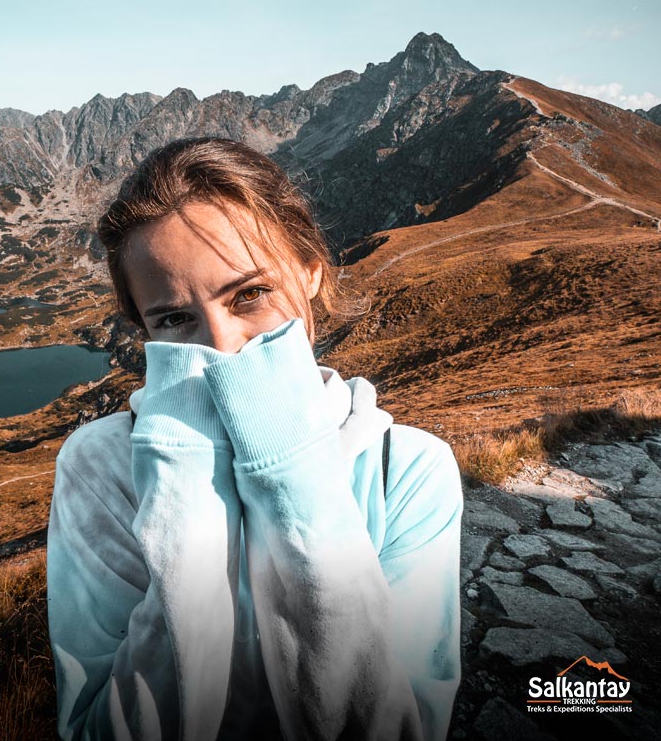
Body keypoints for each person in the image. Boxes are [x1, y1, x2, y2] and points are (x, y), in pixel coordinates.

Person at [46, 136, 463, 741]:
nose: (222, 348)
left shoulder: (409, 468)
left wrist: (289, 470)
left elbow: (410, 728)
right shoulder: (99, 467)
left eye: (251, 294)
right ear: (144, 329)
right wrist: (184, 513)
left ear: (312, 271)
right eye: (173, 318)